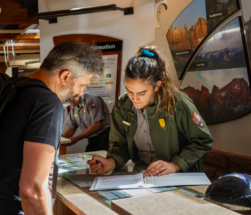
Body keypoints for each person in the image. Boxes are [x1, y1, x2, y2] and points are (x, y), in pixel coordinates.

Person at [0, 40, 103, 215]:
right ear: (65, 76)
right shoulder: (46, 103)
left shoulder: (8, 89)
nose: (81, 92)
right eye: (82, 84)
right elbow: (33, 189)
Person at [88, 46, 213, 176]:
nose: (134, 98)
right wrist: (111, 162)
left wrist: (175, 165)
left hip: (181, 175)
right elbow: (120, 146)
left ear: (157, 86)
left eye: (142, 93)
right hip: (143, 175)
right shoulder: (122, 105)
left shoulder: (179, 104)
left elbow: (202, 141)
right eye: (129, 91)